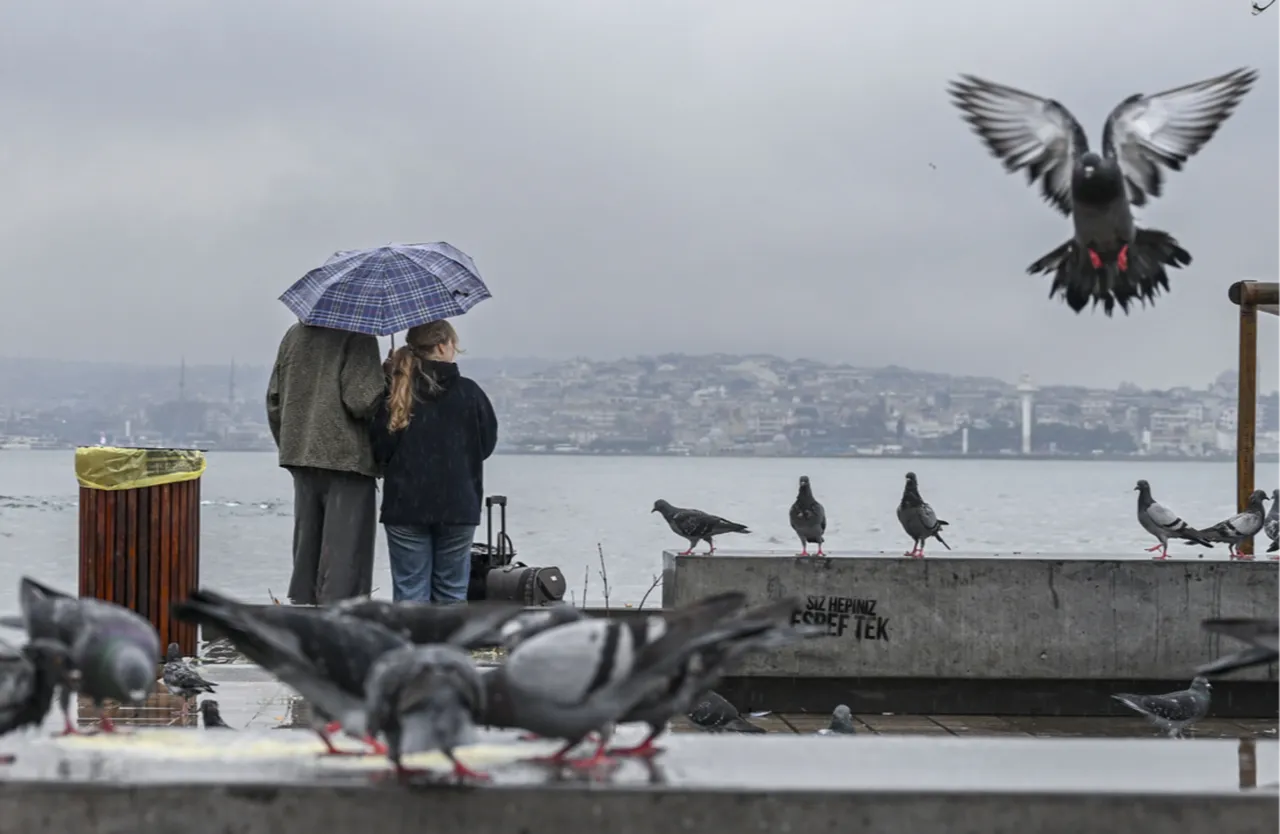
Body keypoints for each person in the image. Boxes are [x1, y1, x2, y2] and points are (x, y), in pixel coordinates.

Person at [370, 320, 498, 603]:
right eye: (453, 344)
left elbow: (379, 449)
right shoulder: (470, 393)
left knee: (410, 592)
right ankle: (449, 635)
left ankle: (410, 634)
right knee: (452, 592)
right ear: (442, 346)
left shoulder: (396, 392)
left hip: (405, 505)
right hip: (458, 505)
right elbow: (486, 445)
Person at [266, 322, 385, 605]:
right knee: (346, 554)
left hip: (301, 454)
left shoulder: (294, 335)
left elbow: (274, 400)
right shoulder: (358, 333)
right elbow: (360, 401)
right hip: (346, 458)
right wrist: (385, 379)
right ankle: (340, 618)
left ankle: (304, 611)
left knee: (306, 551)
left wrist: (292, 444)